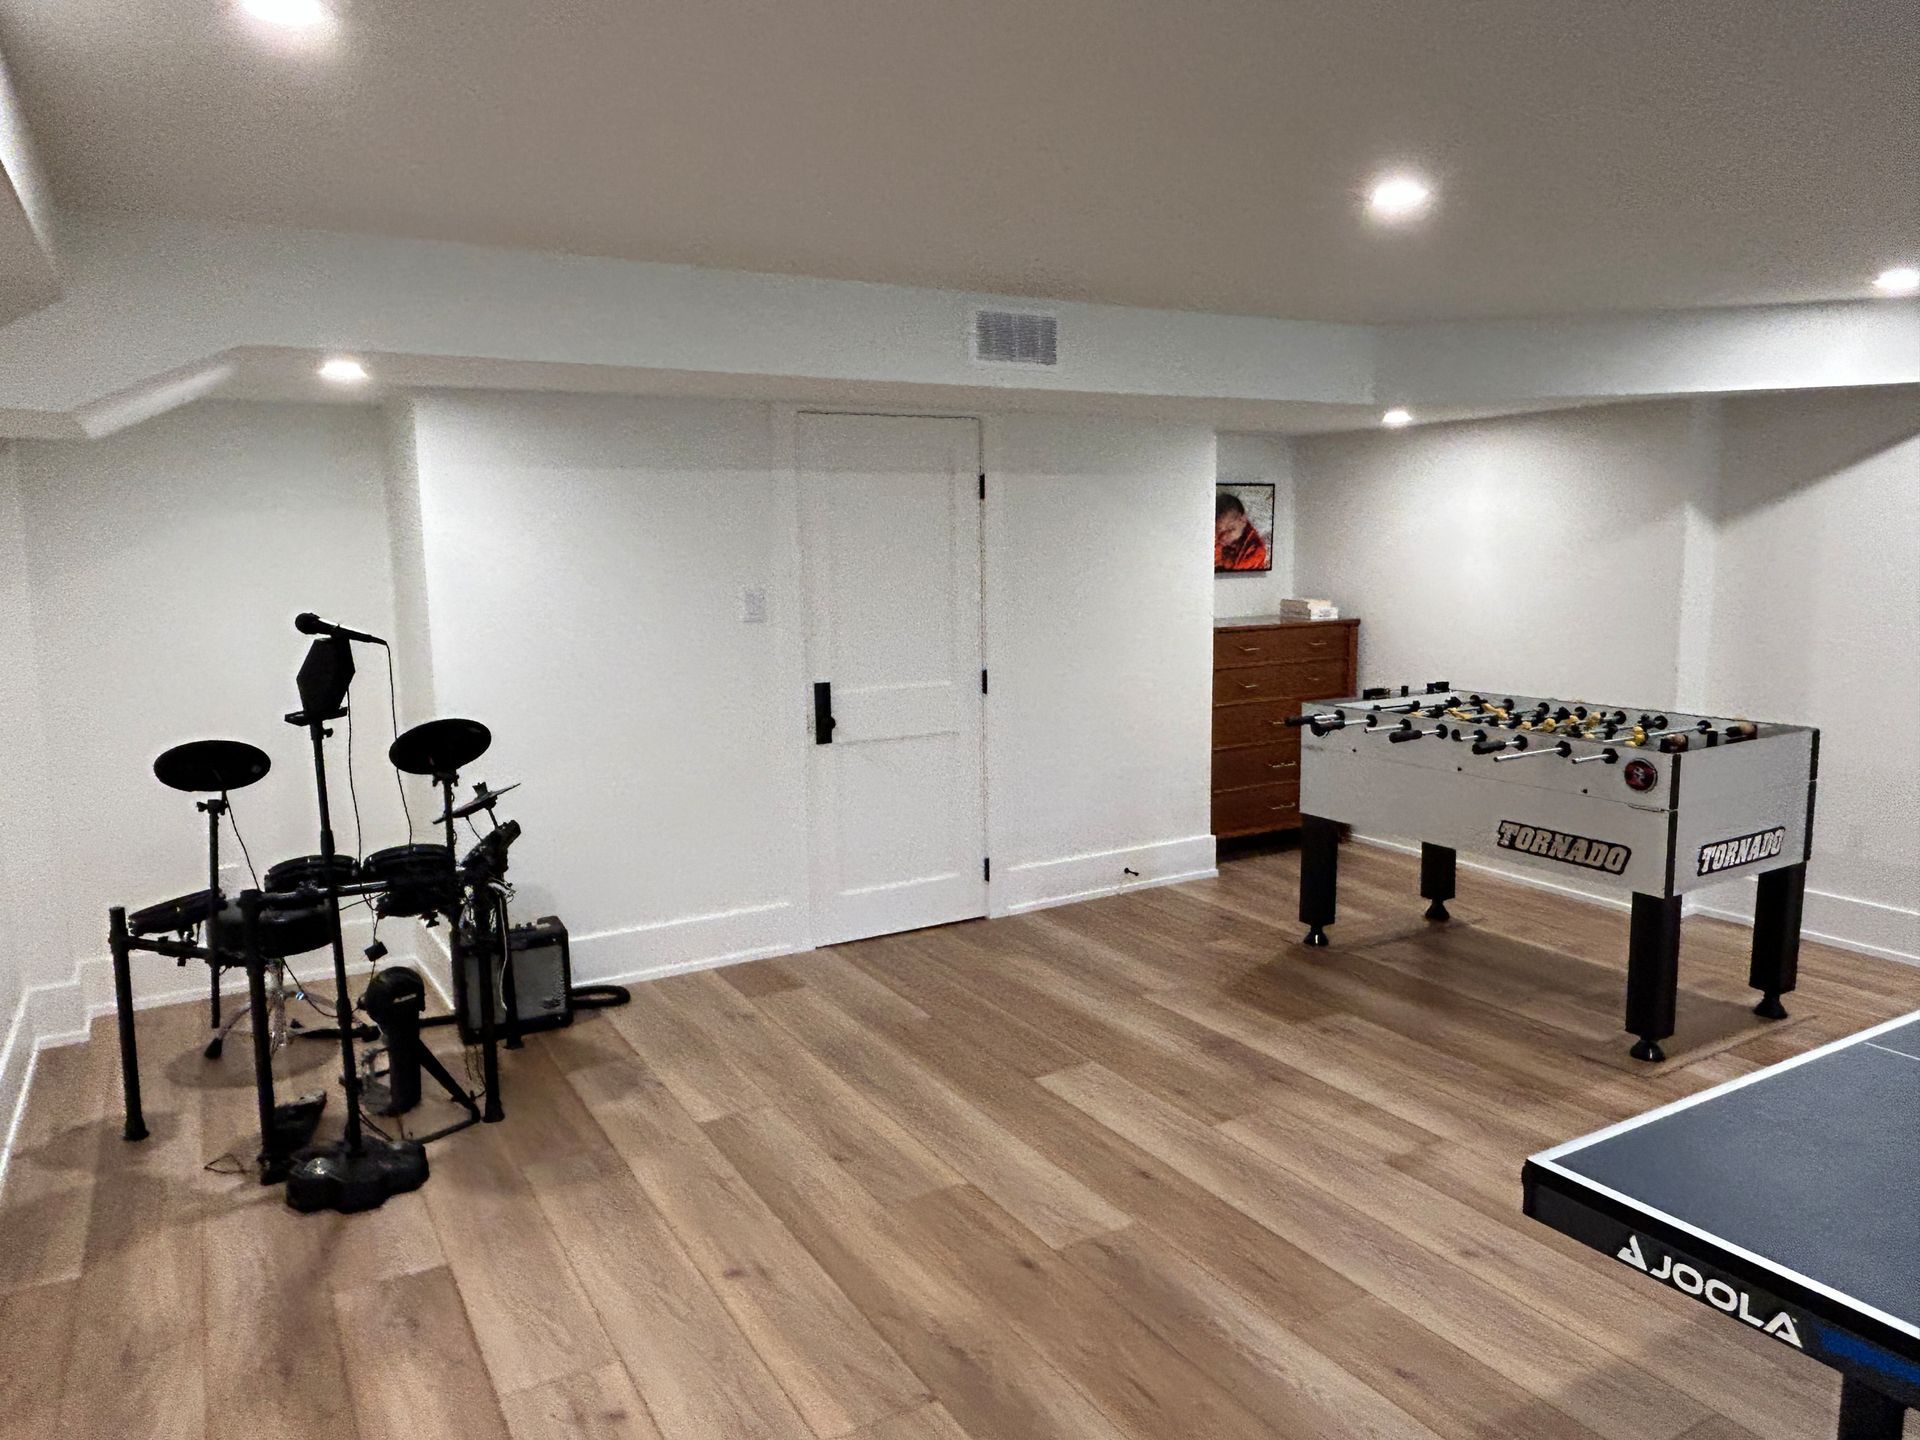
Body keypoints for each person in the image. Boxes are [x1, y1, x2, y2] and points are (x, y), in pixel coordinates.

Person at [1215, 491, 1270, 571]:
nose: (1223, 536)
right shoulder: (1218, 537)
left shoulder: (1256, 550)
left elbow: (1233, 572)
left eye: (1230, 529)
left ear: (1243, 520)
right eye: (1218, 530)